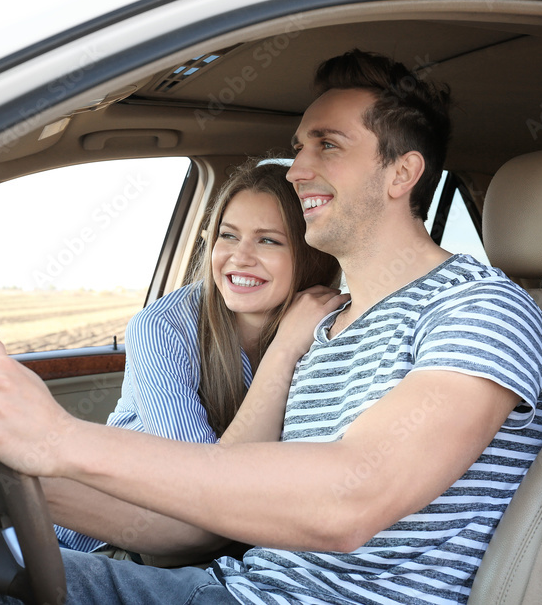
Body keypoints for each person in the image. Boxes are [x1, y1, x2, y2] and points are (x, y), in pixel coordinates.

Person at [0, 49, 542, 605]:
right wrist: (1, 475)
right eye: (299, 146)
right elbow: (199, 511)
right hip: (239, 587)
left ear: (402, 172)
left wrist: (58, 436)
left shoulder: (478, 308)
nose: (298, 169)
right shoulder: (325, 328)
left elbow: (352, 498)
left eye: (329, 145)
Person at [50, 160, 342, 559]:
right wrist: (285, 350)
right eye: (228, 236)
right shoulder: (161, 327)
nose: (239, 257)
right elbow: (204, 493)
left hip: (239, 548)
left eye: (268, 240)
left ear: (311, 254)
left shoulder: (331, 327)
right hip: (119, 541)